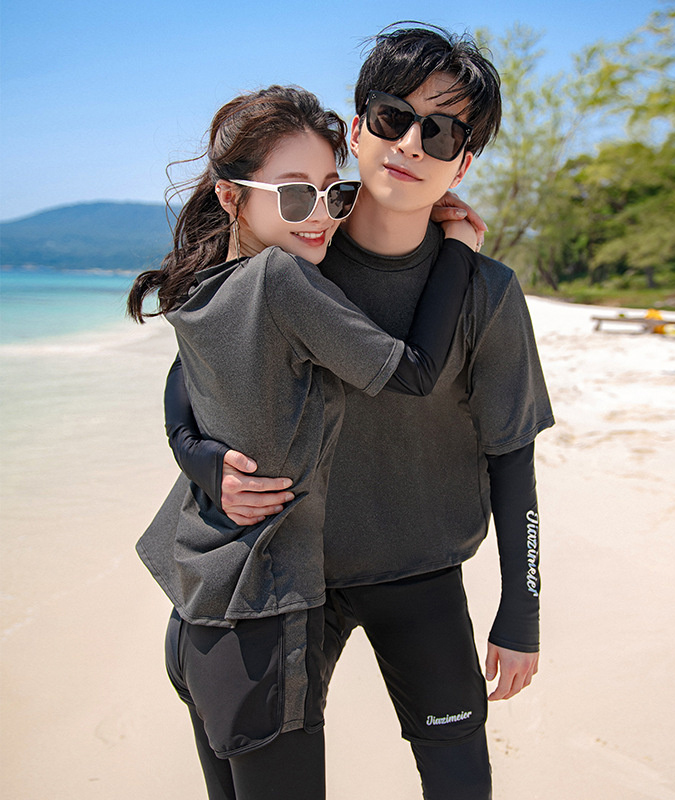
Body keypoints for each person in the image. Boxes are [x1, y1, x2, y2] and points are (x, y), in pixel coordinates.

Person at [166, 25, 554, 800]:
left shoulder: (485, 291)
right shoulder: (299, 250)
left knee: (461, 785)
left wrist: (522, 610)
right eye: (392, 117)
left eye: (441, 132)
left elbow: (511, 455)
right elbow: (192, 377)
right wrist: (206, 465)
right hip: (293, 580)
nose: (411, 143)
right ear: (357, 129)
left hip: (422, 569)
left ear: (463, 163)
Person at [128, 85, 481, 800]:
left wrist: (198, 457)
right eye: (294, 196)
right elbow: (415, 372)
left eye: (333, 192)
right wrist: (459, 251)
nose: (319, 215)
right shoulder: (282, 278)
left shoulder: (202, 285)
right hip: (260, 622)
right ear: (231, 198)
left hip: (195, 619)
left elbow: (179, 391)